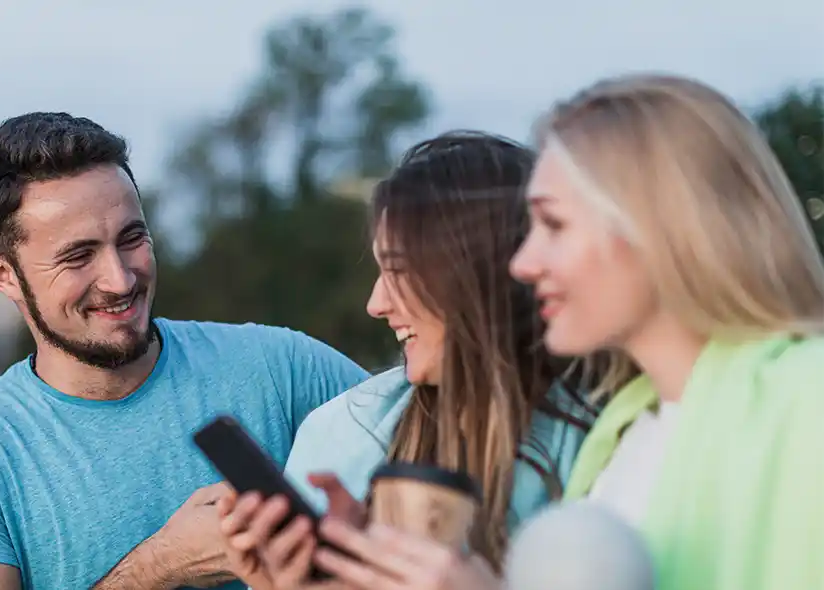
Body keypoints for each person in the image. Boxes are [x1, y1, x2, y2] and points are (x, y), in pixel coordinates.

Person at [0, 112, 369, 590]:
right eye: (78, 256)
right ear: (2, 274)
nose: (120, 279)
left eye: (132, 239)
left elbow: (437, 476)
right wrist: (160, 565)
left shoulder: (285, 369)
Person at [218, 132, 595, 590]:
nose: (375, 304)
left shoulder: (605, 441)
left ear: (476, 276)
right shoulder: (345, 432)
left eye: (398, 270)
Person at [509, 73, 824, 590]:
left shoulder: (810, 404)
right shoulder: (621, 434)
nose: (523, 263)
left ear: (656, 225)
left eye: (555, 225)